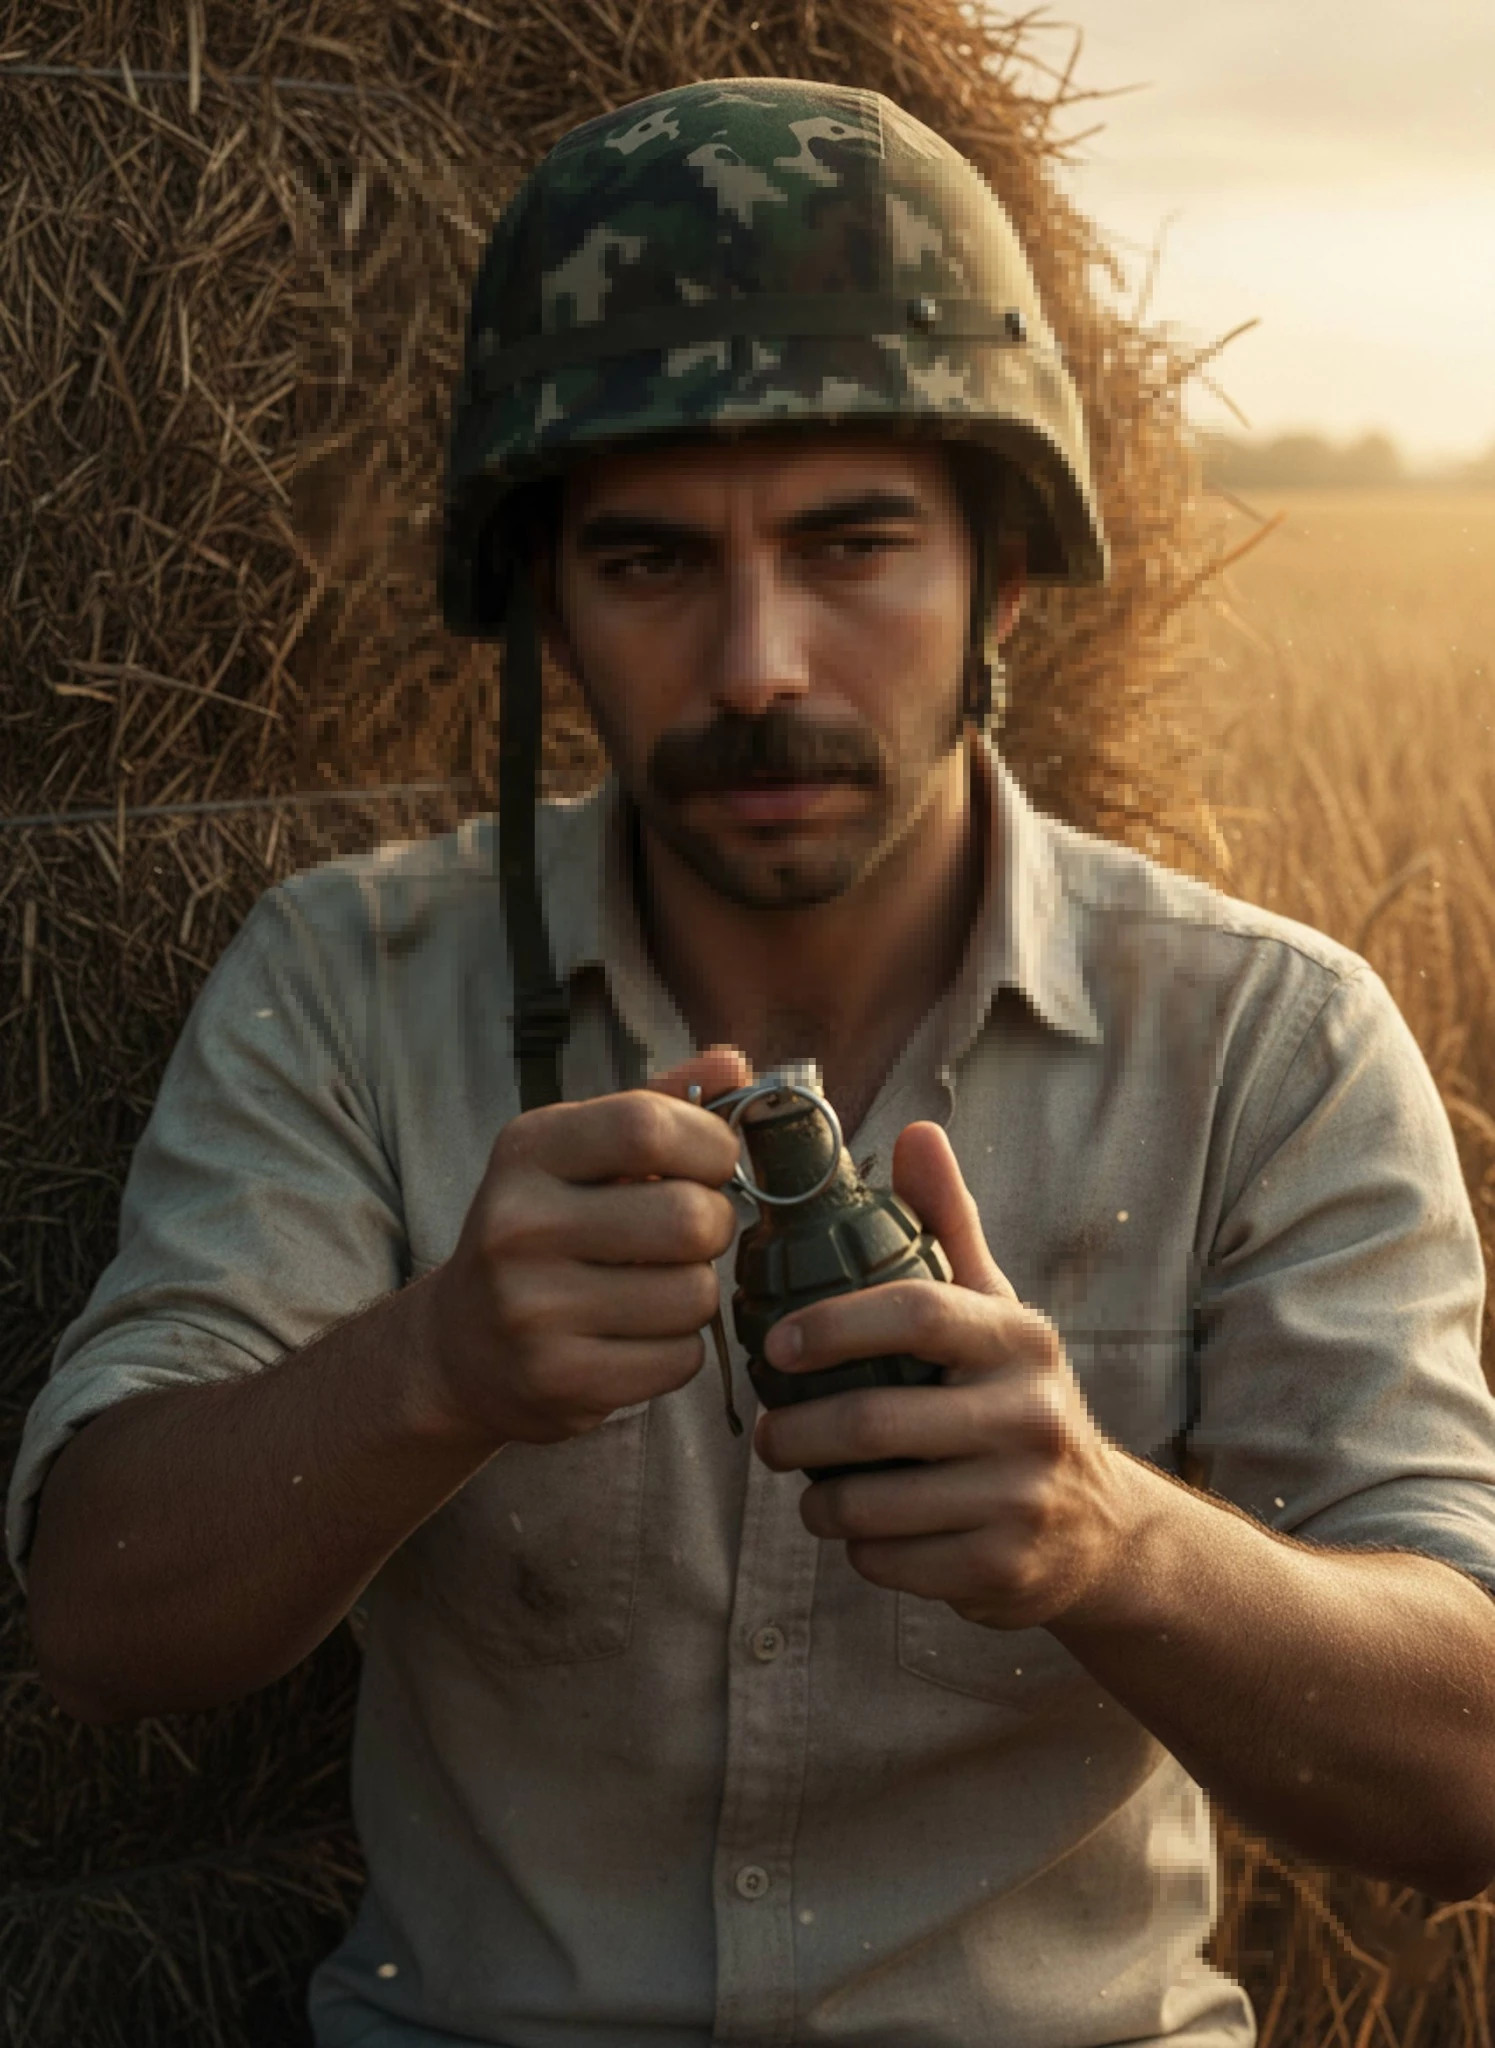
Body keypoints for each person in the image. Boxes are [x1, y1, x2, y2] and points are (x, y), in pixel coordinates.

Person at [11, 77, 1495, 2048]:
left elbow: (1465, 1772)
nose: (759, 663)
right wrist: (434, 1364)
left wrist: (1105, 1537)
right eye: (649, 565)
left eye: (855, 544)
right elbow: (103, 1624)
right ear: (548, 605)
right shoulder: (350, 982)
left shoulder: (1264, 1042)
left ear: (1006, 585)